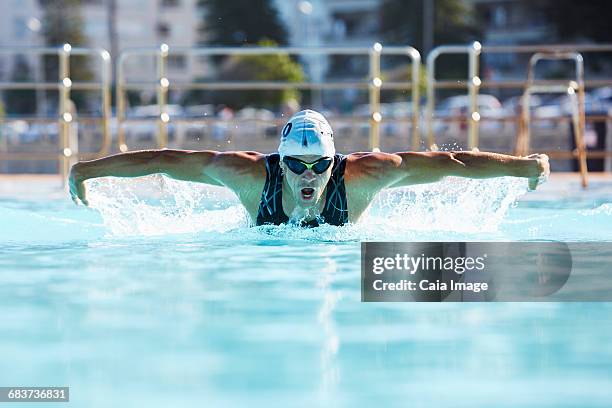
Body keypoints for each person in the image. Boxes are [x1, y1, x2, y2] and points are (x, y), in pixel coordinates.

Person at [69, 109, 549, 227]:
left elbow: (452, 164)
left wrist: (523, 167)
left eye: (318, 165)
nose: (307, 176)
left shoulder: (366, 173)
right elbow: (163, 160)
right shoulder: (249, 173)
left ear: (333, 160)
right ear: (279, 160)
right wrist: (87, 170)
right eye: (295, 166)